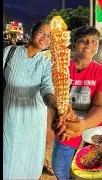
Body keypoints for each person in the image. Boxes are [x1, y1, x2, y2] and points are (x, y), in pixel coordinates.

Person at [3, 20, 73, 179]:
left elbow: (47, 89)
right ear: (32, 31)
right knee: (8, 160)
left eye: (49, 36)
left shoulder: (47, 62)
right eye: (42, 32)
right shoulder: (9, 52)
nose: (45, 38)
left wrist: (56, 105)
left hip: (34, 121)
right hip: (9, 119)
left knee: (29, 161)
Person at [50, 25, 102, 179]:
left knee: (87, 173)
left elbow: (100, 106)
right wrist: (57, 116)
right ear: (73, 45)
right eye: (83, 41)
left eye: (94, 42)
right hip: (66, 129)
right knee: (59, 170)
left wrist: (84, 124)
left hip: (92, 131)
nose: (89, 45)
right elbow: (53, 97)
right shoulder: (60, 67)